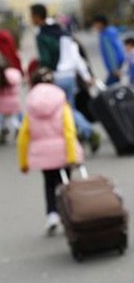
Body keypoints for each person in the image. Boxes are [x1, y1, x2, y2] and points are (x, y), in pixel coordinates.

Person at [17, 67, 83, 235]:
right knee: (66, 184)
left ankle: (52, 214)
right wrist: (72, 155)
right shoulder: (60, 100)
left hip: (43, 152)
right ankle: (70, 213)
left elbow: (24, 135)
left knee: (49, 183)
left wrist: (23, 162)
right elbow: (69, 130)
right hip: (62, 150)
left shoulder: (31, 104)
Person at [30, 4, 101, 153]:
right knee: (70, 107)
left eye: (32, 16)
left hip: (57, 76)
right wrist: (86, 75)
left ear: (37, 16)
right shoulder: (61, 31)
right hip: (70, 76)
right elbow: (75, 55)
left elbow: (46, 60)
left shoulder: (42, 35)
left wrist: (41, 74)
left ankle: (87, 132)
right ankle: (76, 136)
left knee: (64, 109)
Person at [92, 15, 125, 86]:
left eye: (96, 23)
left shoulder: (105, 36)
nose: (95, 26)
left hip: (114, 66)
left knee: (109, 90)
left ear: (101, 23)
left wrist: (114, 69)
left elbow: (110, 53)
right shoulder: (111, 31)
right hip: (119, 62)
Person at [0, 58, 22, 143]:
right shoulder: (13, 74)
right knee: (13, 118)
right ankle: (18, 127)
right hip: (14, 102)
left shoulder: (1, 77)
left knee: (3, 119)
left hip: (2, 103)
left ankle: (3, 130)